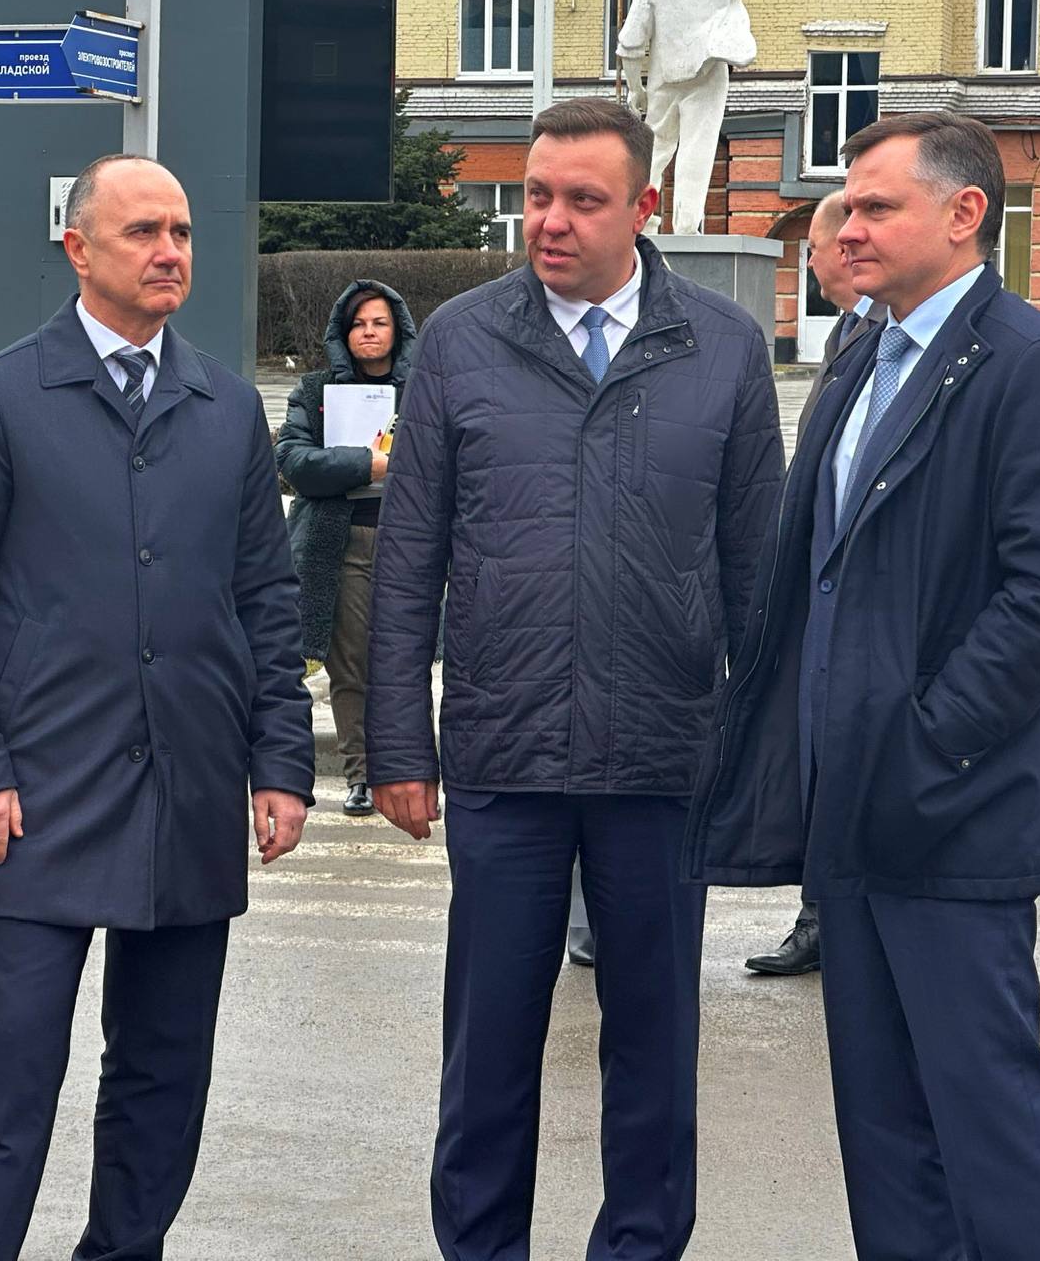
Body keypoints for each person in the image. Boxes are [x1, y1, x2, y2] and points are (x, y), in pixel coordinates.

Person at [693, 112, 1040, 1260]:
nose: (848, 227)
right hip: (851, 804)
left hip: (952, 808)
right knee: (882, 1122)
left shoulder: (1033, 366)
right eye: (848, 205)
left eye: (878, 206)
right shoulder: (861, 355)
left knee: (986, 1108)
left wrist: (928, 748)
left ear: (964, 212)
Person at [367, 97, 783, 1259]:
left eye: (581, 200)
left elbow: (758, 569)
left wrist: (764, 756)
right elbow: (408, 559)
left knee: (654, 1046)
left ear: (643, 206)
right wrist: (397, 744)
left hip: (663, 760)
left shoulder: (722, 346)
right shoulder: (462, 340)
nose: (548, 220)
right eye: (536, 195)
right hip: (504, 757)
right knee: (488, 1048)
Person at [0, 153, 316, 1261]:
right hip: (42, 793)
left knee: (164, 1076)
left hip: (191, 789)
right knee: (15, 1067)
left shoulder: (226, 408)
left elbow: (267, 599)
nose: (170, 251)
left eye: (181, 231)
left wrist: (280, 762)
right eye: (143, 232)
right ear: (78, 250)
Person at [746, 189, 886, 979]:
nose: (815, 263)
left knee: (840, 763)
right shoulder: (851, 331)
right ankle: (820, 916)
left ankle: (829, 919)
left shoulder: (882, 331)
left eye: (816, 249)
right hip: (819, 573)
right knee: (817, 760)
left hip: (857, 591)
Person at [276, 280, 419, 816]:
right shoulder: (315, 390)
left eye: (379, 323)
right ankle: (361, 773)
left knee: (406, 663)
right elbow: (293, 462)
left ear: (398, 329)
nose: (369, 333)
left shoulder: (425, 389)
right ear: (342, 331)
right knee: (351, 665)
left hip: (410, 542)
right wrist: (368, 464)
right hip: (343, 543)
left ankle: (409, 769)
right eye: (358, 324)